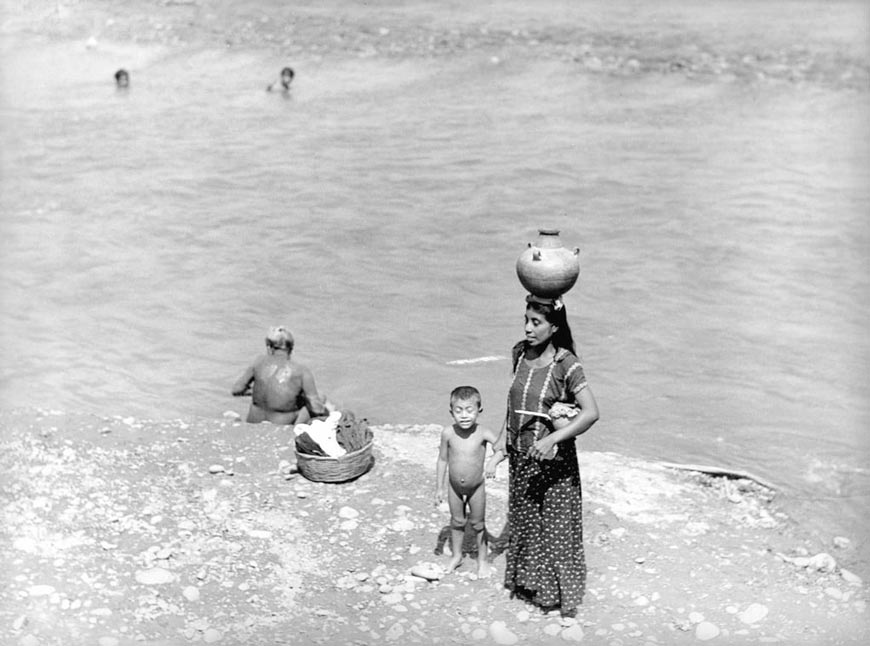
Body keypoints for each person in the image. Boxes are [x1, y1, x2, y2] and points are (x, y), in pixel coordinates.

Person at [495, 294, 600, 618]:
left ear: (554, 326)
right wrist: (502, 443)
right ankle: (528, 584)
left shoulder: (567, 364)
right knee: (525, 522)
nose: (528, 328)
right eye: (526, 320)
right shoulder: (519, 353)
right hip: (521, 457)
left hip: (554, 462)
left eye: (536, 322)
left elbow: (591, 413)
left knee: (555, 528)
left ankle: (556, 596)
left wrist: (553, 437)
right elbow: (512, 403)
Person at [434, 386, 503, 577]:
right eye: (459, 411)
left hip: (476, 487)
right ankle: (456, 556)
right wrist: (438, 488)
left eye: (469, 410)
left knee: (478, 524)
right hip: (454, 486)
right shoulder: (448, 433)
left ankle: (482, 560)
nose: (464, 416)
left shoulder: (483, 433)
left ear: (479, 411)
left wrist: (492, 463)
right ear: (451, 412)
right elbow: (442, 460)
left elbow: (503, 448)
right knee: (457, 521)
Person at [232, 326, 331, 425]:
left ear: (269, 347)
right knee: (320, 398)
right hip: (280, 425)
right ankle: (296, 430)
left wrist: (256, 391)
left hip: (253, 422)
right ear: (291, 348)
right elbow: (317, 409)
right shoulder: (301, 371)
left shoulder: (258, 362)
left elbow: (236, 390)